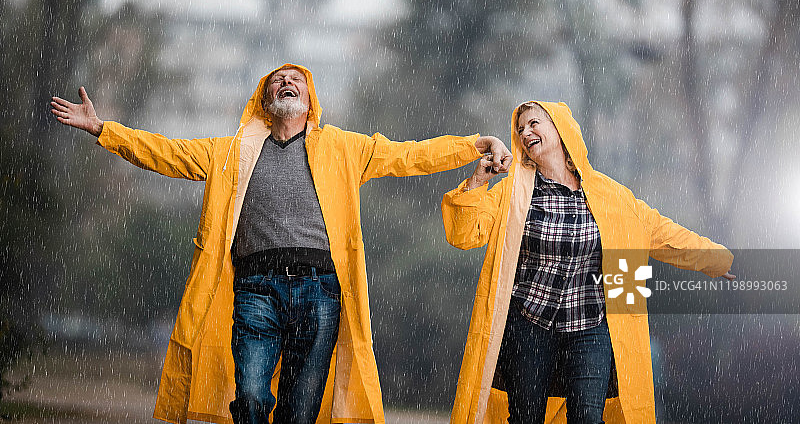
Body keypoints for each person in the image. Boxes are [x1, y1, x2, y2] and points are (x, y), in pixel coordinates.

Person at [50, 63, 513, 424]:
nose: (287, 83)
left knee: (300, 408)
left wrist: (473, 146)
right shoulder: (230, 152)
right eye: (278, 80)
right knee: (250, 396)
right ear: (264, 100)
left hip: (321, 291)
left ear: (310, 100)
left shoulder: (344, 148)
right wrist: (103, 129)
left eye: (296, 80)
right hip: (255, 289)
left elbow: (409, 155)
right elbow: (166, 153)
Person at [441, 101, 734, 424]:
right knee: (525, 418)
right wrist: (477, 182)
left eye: (534, 123)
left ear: (560, 129)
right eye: (520, 128)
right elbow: (464, 234)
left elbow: (662, 233)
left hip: (590, 327)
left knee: (588, 418)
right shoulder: (514, 193)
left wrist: (717, 259)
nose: (525, 133)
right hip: (528, 324)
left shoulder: (611, 196)